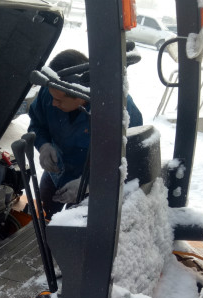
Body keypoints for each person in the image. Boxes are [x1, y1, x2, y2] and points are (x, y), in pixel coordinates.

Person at [28, 49, 143, 219]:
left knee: (72, 228)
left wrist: (89, 184)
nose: (52, 103)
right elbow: (37, 124)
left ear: (80, 95)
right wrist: (43, 145)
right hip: (57, 172)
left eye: (59, 100)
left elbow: (128, 162)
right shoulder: (52, 90)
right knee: (44, 212)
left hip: (95, 185)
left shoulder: (120, 111)